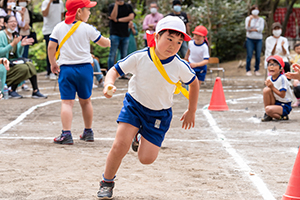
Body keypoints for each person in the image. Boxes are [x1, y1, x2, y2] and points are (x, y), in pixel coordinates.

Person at [96, 16, 199, 199]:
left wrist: (191, 110)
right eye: (169, 39)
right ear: (157, 36)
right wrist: (108, 84)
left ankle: (138, 134)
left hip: (159, 114)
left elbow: (194, 83)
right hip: (134, 106)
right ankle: (107, 181)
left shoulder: (179, 65)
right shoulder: (140, 57)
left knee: (146, 159)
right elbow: (114, 70)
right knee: (120, 145)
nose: (173, 46)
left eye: (178, 42)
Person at [48, 0, 110, 145]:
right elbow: (103, 43)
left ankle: (66, 134)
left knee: (67, 103)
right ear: (79, 12)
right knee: (86, 101)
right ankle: (88, 132)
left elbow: (51, 47)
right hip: (85, 69)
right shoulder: (87, 28)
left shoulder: (59, 27)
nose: (89, 12)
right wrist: (109, 40)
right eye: (87, 9)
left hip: (67, 69)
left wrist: (53, 63)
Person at [0, 15, 47, 99]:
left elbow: (18, 55)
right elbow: (1, 52)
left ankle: (35, 91)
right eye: (11, 21)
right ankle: (11, 90)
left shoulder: (15, 35)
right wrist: (12, 44)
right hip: (4, 64)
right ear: (5, 24)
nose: (14, 23)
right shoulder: (1, 35)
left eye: (15, 21)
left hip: (13, 63)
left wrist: (21, 45)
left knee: (30, 64)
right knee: (23, 68)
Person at [261, 55, 293, 122]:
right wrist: (270, 87)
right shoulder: (269, 78)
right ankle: (268, 115)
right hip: (276, 102)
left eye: (275, 64)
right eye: (269, 64)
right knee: (266, 90)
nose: (271, 66)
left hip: (284, 105)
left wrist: (272, 87)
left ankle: (281, 116)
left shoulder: (282, 78)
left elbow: (282, 95)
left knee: (268, 109)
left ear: (281, 68)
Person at [107, 0, 134, 73]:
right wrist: (116, 4)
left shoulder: (128, 7)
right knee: (112, 54)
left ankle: (122, 73)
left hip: (125, 34)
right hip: (114, 34)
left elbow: (131, 17)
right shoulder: (112, 6)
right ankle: (110, 72)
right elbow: (113, 17)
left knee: (124, 55)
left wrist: (118, 20)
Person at [41, 0, 64, 80]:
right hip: (48, 30)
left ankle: (58, 70)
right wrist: (49, 2)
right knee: (50, 50)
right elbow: (44, 14)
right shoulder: (45, 2)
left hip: (58, 30)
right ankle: (50, 71)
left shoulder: (60, 2)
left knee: (58, 50)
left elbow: (62, 14)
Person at [245, 5, 264, 76]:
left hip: (259, 39)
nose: (255, 11)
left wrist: (252, 30)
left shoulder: (261, 20)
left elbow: (260, 29)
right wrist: (250, 20)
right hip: (250, 39)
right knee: (249, 55)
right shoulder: (248, 18)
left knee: (258, 55)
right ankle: (248, 69)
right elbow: (247, 28)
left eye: (257, 9)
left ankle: (257, 69)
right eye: (254, 9)